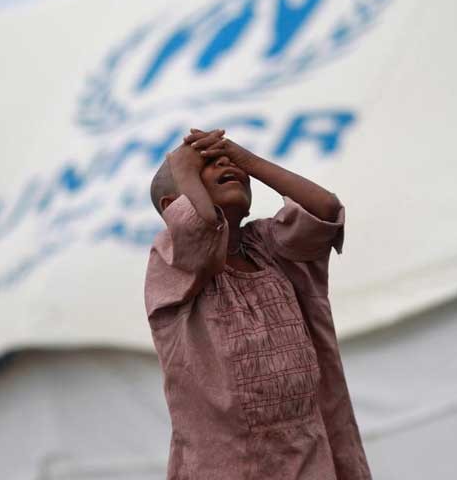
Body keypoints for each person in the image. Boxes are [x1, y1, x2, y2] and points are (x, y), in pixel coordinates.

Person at [144, 127, 372, 479]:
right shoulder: (169, 261)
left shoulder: (269, 245)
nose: (224, 162)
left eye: (228, 160)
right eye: (206, 164)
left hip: (310, 461)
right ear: (172, 209)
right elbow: (201, 228)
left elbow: (324, 208)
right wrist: (179, 163)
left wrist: (245, 157)